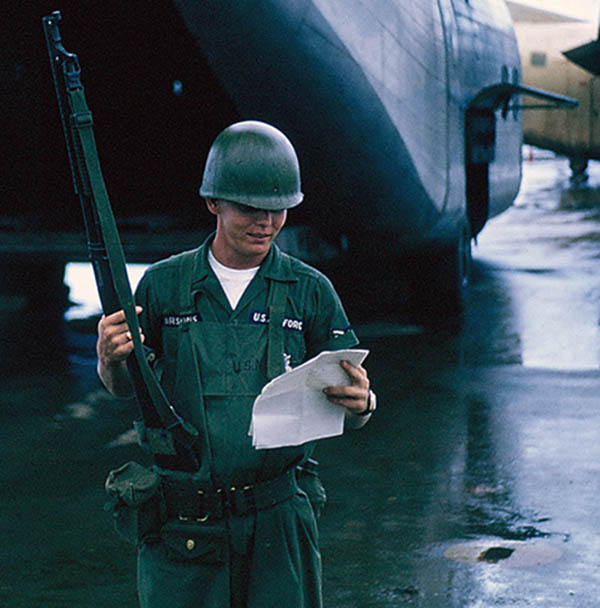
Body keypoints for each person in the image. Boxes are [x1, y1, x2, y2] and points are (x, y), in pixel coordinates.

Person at [96, 120, 375, 608]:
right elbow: (128, 388)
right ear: (213, 203)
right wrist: (108, 360)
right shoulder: (164, 287)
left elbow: (353, 404)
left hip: (277, 523)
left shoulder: (310, 291)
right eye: (249, 208)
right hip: (184, 526)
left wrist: (364, 402)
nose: (266, 222)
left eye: (278, 209)